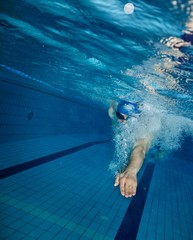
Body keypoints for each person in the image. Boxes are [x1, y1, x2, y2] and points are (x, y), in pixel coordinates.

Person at [108, 101, 152, 198]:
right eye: (120, 116)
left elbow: (140, 148)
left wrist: (131, 170)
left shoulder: (145, 126)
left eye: (128, 119)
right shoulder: (112, 112)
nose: (123, 122)